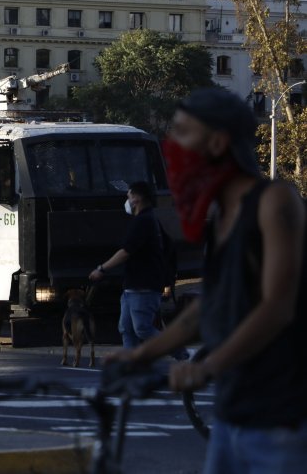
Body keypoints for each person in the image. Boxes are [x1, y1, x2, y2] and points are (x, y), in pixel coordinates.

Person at [112, 88, 307, 473]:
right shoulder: (220, 218)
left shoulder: (274, 202)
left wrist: (206, 366)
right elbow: (208, 309)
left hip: (281, 419)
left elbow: (278, 306)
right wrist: (139, 355)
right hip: (232, 415)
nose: (174, 147)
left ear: (218, 142)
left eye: (184, 134)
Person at [89, 181, 165, 348]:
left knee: (142, 329)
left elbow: (125, 252)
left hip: (143, 287)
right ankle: (130, 366)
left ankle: (182, 353)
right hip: (133, 286)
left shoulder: (144, 221)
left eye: (129, 196)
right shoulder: (145, 220)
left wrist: (102, 269)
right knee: (127, 329)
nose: (127, 200)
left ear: (137, 198)